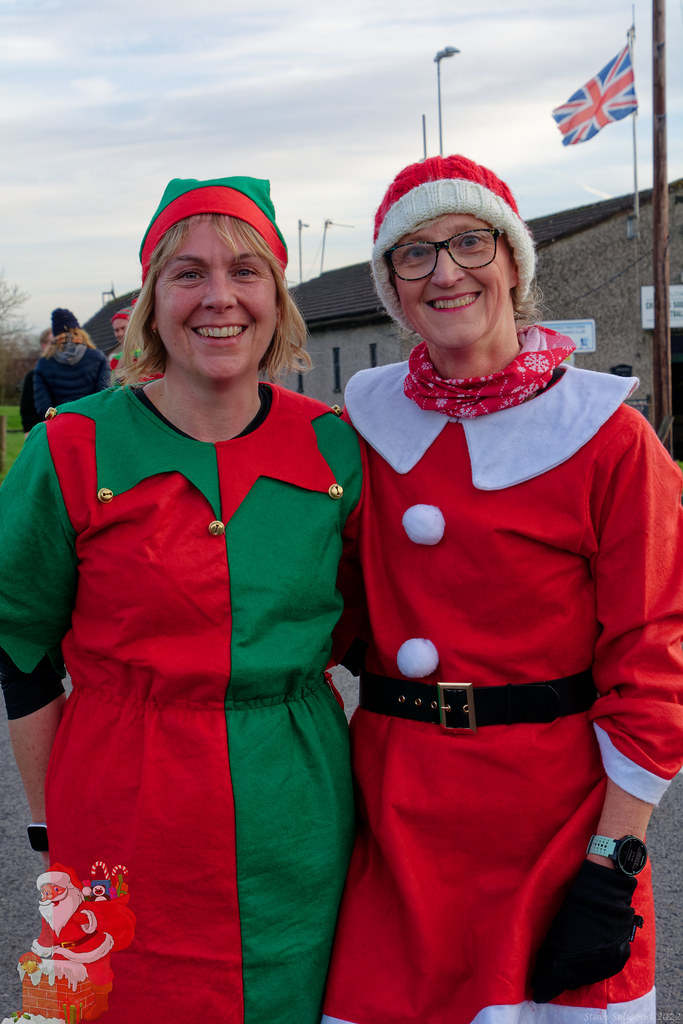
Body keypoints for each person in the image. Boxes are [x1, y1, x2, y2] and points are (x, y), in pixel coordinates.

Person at [321, 155, 683, 1024]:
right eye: (413, 254)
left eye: (469, 242)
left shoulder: (610, 442)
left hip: (553, 829)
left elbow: (655, 665)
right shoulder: (356, 431)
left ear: (514, 262)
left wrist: (614, 859)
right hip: (392, 818)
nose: (444, 271)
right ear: (391, 288)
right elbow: (313, 614)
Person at [0, 174, 362, 1022]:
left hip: (299, 810)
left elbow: (365, 630)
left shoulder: (335, 448)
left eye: (245, 271)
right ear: (150, 302)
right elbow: (20, 651)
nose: (218, 297)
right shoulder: (71, 451)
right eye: (187, 272)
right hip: (119, 812)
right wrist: (53, 828)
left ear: (278, 296)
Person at [33, 309, 111, 419]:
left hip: (59, 426)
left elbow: (43, 406)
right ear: (78, 330)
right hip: (91, 423)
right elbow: (104, 395)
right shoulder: (97, 358)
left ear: (56, 334)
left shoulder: (44, 363)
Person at [19, 327, 52, 434]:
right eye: (53, 343)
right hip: (41, 437)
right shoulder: (33, 376)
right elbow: (26, 411)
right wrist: (29, 435)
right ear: (44, 345)